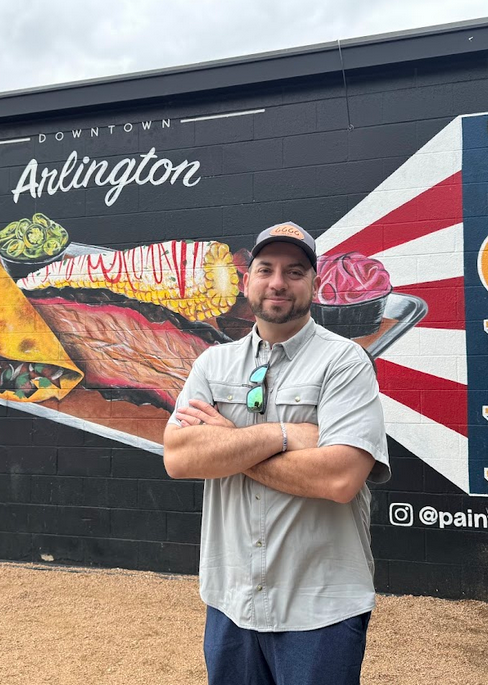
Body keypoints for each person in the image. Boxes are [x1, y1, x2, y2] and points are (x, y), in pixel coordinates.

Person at [163, 221, 391, 685]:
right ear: (248, 280)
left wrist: (227, 443)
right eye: (266, 269)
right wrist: (284, 434)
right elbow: (179, 458)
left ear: (315, 283)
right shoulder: (213, 363)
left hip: (320, 609)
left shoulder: (345, 362)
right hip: (232, 602)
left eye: (295, 271)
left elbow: (339, 479)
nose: (278, 282)